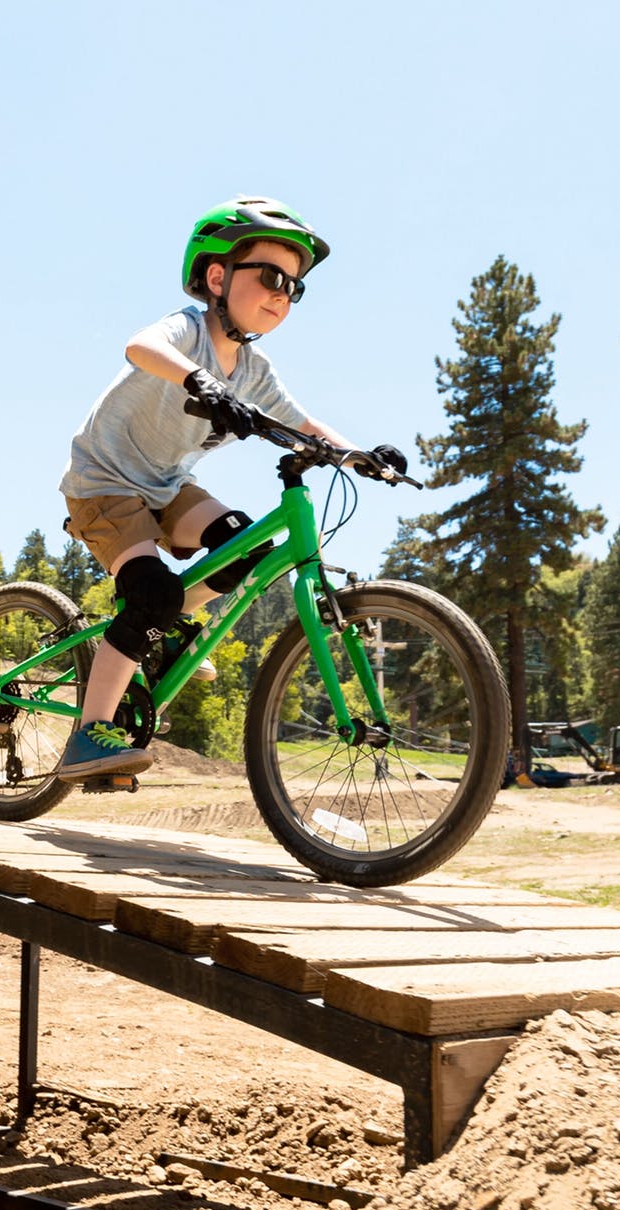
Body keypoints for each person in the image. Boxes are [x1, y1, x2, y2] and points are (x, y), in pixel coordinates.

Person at [54, 196, 406, 781]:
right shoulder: (188, 331)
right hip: (104, 482)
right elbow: (140, 347)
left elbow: (302, 425)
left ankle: (164, 629)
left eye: (294, 287)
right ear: (218, 276)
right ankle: (89, 734)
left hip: (166, 486)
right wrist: (198, 379)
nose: (282, 293)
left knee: (243, 551)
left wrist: (360, 455)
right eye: (270, 276)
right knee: (153, 595)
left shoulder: (253, 370)